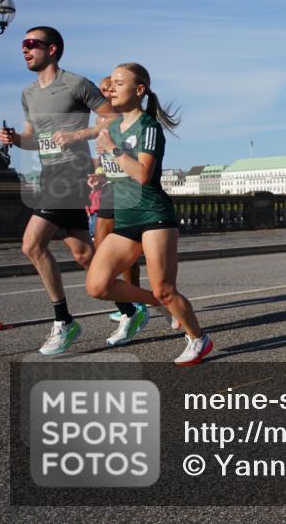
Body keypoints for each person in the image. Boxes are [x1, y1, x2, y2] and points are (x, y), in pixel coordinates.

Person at [84, 63, 212, 364]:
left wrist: (113, 149)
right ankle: (159, 304)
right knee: (97, 285)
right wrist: (100, 176)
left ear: (139, 90)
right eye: (110, 83)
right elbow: (119, 171)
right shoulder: (111, 127)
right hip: (126, 218)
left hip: (153, 216)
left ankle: (198, 338)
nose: (111, 88)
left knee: (166, 288)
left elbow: (142, 174)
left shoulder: (148, 127)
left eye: (118, 83)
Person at [0, 26, 114, 356]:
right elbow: (32, 137)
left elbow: (113, 118)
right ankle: (133, 307)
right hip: (51, 174)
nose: (24, 49)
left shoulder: (76, 84)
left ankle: (64, 321)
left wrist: (81, 135)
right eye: (23, 45)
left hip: (74, 172)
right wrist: (15, 140)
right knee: (83, 254)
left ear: (52, 50)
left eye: (32, 44)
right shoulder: (28, 94)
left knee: (32, 244)